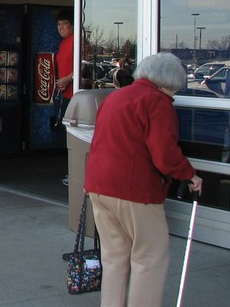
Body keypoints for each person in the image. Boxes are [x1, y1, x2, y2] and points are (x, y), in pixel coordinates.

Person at [85, 52, 203, 306]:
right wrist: (189, 174)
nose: (174, 95)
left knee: (114, 258)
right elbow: (165, 153)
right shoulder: (156, 102)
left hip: (99, 186)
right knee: (149, 258)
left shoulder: (116, 97)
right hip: (135, 191)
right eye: (174, 88)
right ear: (167, 81)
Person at [55, 9, 73, 186]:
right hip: (65, 94)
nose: (61, 28)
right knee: (65, 133)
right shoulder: (63, 44)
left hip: (76, 95)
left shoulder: (78, 41)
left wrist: (69, 78)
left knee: (74, 135)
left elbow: (85, 64)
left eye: (64, 24)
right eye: (58, 25)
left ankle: (75, 172)